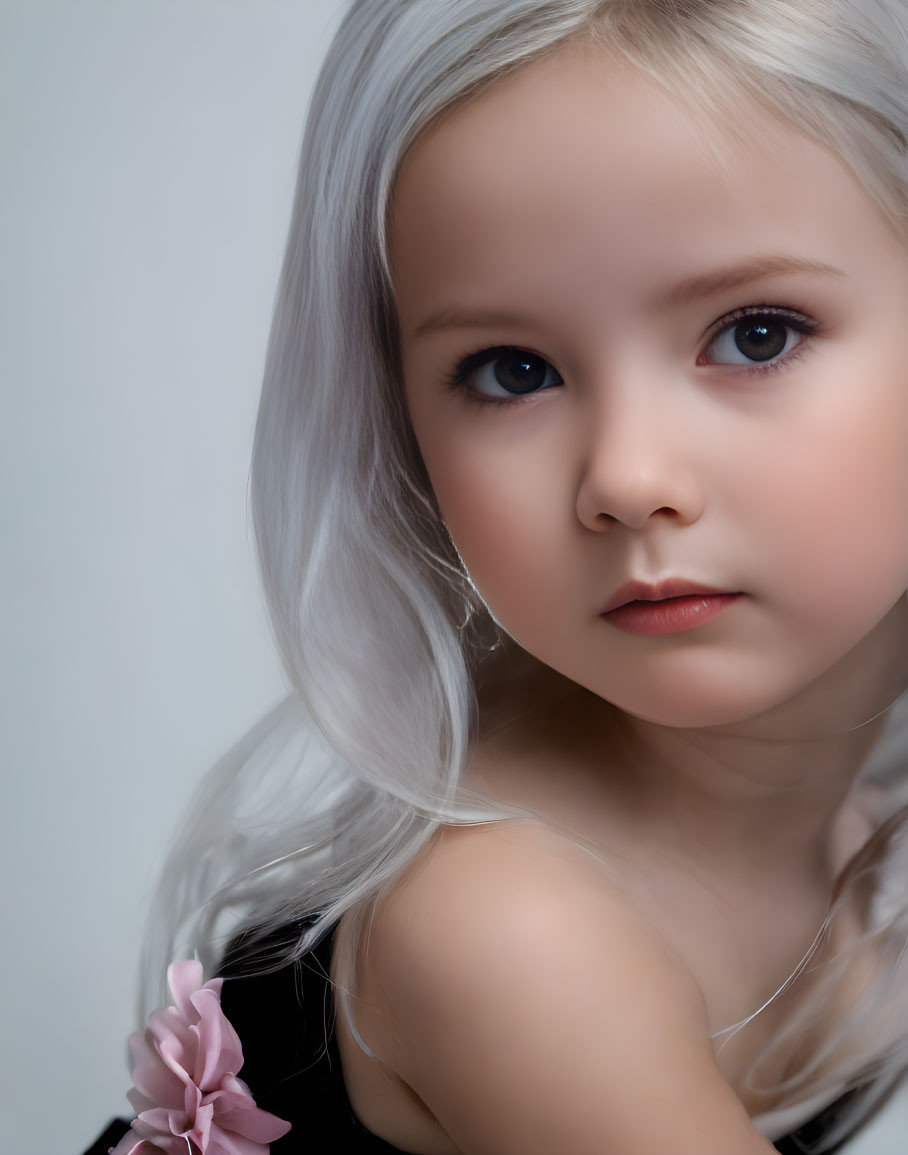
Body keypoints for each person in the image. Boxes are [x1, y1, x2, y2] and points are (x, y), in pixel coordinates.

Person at [88, 1, 908, 1151]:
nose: (625, 478)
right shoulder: (509, 927)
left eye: (754, 335)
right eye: (511, 370)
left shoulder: (850, 832)